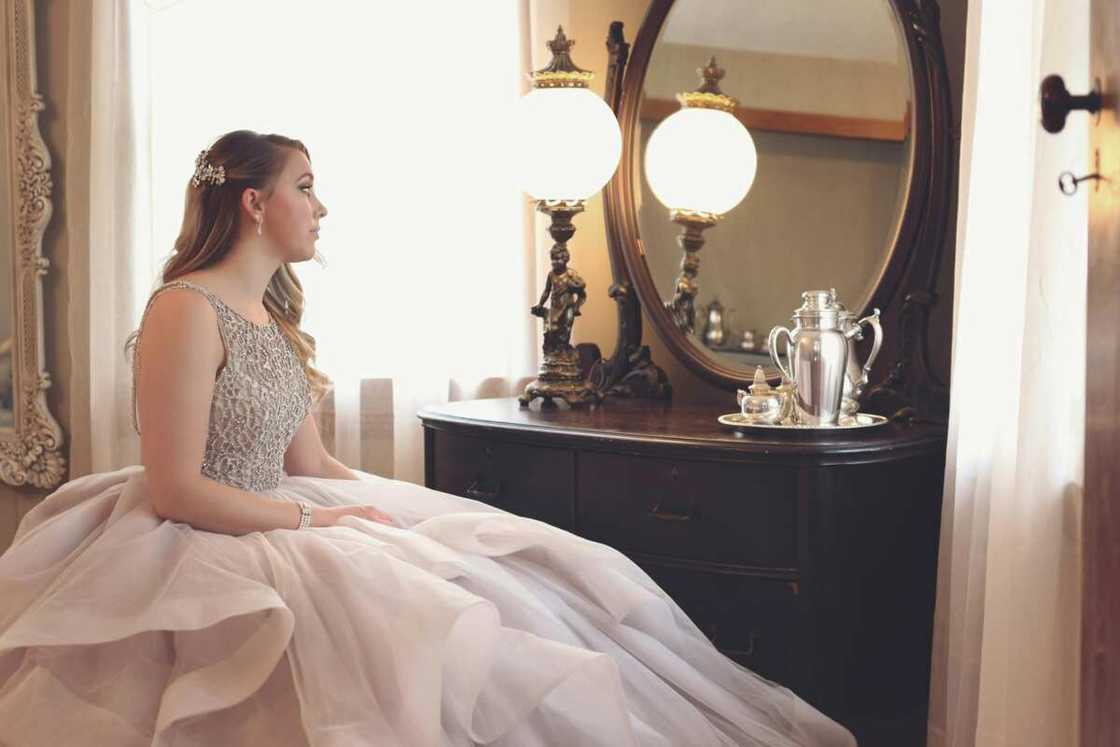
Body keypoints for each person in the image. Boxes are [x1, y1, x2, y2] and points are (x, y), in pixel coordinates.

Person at [0, 129, 856, 746]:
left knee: (504, 575)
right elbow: (180, 487)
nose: (320, 205)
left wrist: (404, 512)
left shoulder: (268, 314)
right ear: (255, 203)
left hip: (283, 511)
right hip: (200, 542)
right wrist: (314, 525)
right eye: (305, 185)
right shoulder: (184, 309)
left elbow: (310, 465)